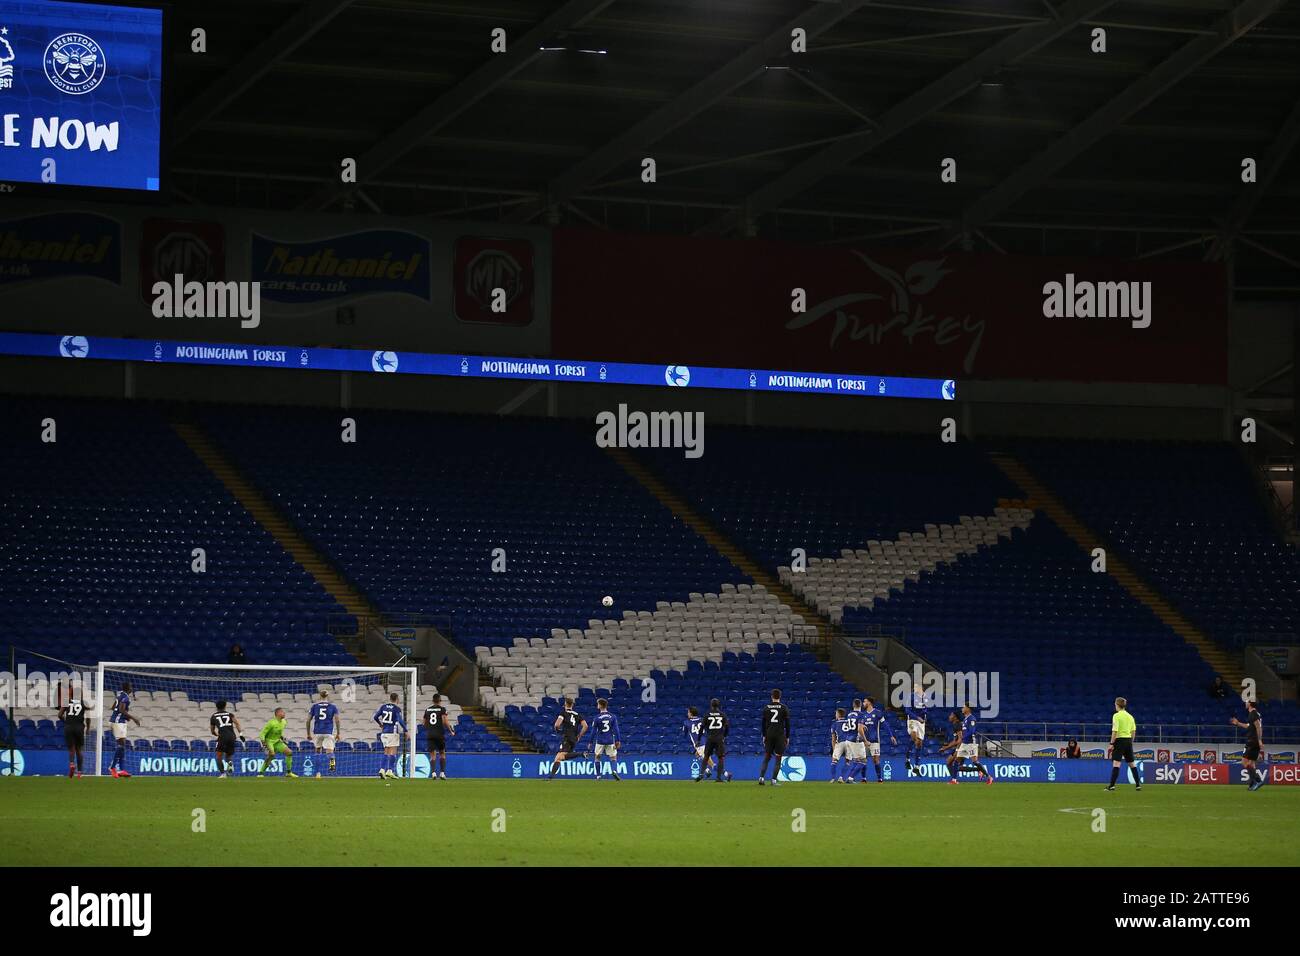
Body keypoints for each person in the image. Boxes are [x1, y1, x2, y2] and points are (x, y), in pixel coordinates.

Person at [940, 705, 992, 785]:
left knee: (975, 762)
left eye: (964, 707)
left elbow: (972, 731)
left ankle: (988, 777)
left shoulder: (972, 719)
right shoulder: (965, 719)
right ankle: (954, 780)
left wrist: (963, 738)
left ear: (968, 708)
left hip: (971, 743)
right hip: (964, 743)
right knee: (957, 761)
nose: (962, 709)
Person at [1105, 696, 1141, 791]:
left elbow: (1115, 731)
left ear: (1117, 705)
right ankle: (1138, 785)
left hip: (1119, 741)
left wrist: (1112, 743)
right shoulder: (1130, 716)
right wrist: (1130, 742)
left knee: (1116, 763)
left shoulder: (1116, 716)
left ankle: (1112, 785)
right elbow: (1133, 731)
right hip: (1128, 740)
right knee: (1132, 764)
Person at [107, 681, 142, 778]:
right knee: (121, 746)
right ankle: (113, 767)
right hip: (118, 723)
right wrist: (134, 718)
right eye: (131, 687)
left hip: (115, 721)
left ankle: (121, 770)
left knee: (122, 746)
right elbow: (121, 710)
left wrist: (125, 716)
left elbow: (113, 707)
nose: (132, 688)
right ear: (128, 688)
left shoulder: (119, 695)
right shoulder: (126, 697)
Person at [858, 697, 897, 783]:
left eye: (864, 701)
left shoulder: (878, 713)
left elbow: (885, 725)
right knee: (863, 759)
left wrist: (891, 735)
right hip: (864, 741)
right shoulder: (862, 714)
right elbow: (859, 728)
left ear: (869, 703)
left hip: (875, 740)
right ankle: (863, 779)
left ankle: (879, 779)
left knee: (875, 759)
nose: (863, 703)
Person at [1230, 700, 1266, 791]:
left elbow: (1258, 727)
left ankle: (1258, 780)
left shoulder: (1253, 714)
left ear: (1250, 704)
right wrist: (1238, 723)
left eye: (1247, 702)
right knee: (1251, 763)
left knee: (1244, 762)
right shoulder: (1255, 714)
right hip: (1254, 741)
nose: (1245, 703)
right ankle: (1252, 783)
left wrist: (1259, 740)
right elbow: (1249, 726)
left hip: (1252, 741)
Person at [548, 697, 588, 778]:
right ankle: (551, 777)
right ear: (572, 704)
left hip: (567, 737)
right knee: (559, 757)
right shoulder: (577, 715)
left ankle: (581, 754)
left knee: (560, 757)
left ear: (565, 704)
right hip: (574, 738)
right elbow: (585, 726)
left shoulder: (563, 713)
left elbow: (557, 724)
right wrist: (579, 735)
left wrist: (558, 730)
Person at [758, 688, 790, 786]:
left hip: (769, 734)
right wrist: (787, 737)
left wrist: (764, 735)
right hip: (779, 735)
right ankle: (773, 780)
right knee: (778, 758)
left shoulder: (766, 708)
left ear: (771, 696)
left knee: (767, 757)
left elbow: (763, 724)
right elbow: (787, 724)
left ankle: (761, 778)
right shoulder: (784, 708)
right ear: (779, 696)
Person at [373, 692, 408, 779]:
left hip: (384, 732)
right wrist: (406, 730)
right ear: (397, 699)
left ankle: (386, 770)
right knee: (393, 751)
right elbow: (400, 720)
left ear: (390, 698)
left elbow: (375, 717)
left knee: (386, 751)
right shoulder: (396, 708)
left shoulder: (383, 706)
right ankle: (388, 770)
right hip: (392, 732)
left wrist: (380, 724)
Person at [307, 690, 341, 777]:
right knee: (330, 752)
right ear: (328, 696)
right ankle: (332, 766)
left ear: (319, 696)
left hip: (318, 732)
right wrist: (338, 733)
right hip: (328, 731)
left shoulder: (314, 706)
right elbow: (337, 720)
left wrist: (308, 734)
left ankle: (318, 773)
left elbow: (308, 720)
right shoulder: (333, 706)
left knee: (318, 751)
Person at [696, 699, 731, 783]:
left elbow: (701, 728)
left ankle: (701, 775)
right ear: (718, 705)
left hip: (710, 738)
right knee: (721, 758)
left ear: (711, 705)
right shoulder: (722, 715)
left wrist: (698, 739)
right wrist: (724, 736)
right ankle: (718, 778)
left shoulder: (707, 714)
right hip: (719, 738)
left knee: (706, 757)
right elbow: (727, 726)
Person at [422, 693, 456, 780]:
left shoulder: (427, 710)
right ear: (440, 701)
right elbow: (445, 721)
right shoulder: (442, 709)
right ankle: (442, 773)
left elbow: (424, 723)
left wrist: (429, 728)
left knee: (432, 755)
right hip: (439, 733)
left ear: (433, 701)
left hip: (430, 734)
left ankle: (433, 773)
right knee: (442, 753)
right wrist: (451, 730)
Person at [257, 707, 296, 777]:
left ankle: (288, 772)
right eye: (282, 712)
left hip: (277, 741)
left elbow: (278, 732)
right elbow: (262, 734)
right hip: (269, 741)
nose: (284, 713)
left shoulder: (284, 722)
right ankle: (260, 773)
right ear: (277, 713)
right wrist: (263, 743)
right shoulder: (271, 723)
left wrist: (282, 737)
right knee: (272, 755)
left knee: (289, 752)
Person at [210, 699, 244, 777]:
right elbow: (237, 723)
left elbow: (212, 730)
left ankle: (222, 773)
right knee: (228, 756)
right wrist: (241, 734)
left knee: (219, 756)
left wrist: (216, 735)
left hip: (222, 736)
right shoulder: (230, 714)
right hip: (232, 736)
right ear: (225, 706)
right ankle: (230, 764)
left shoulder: (213, 716)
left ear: (216, 707)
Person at [590, 698, 621, 781]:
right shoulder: (612, 716)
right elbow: (616, 729)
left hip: (600, 740)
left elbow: (593, 731)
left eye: (598, 704)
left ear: (600, 705)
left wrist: (590, 742)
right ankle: (614, 771)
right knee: (613, 757)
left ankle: (598, 776)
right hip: (610, 740)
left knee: (597, 757)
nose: (597, 705)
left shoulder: (597, 718)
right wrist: (618, 740)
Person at [58, 693, 88, 778]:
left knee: (72, 749)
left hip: (69, 727)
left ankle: (71, 764)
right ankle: (79, 773)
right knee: (79, 750)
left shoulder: (67, 701)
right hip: (79, 727)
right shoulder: (83, 703)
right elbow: (88, 717)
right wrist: (88, 727)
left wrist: (66, 721)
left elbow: (59, 715)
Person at [684, 706, 715, 779]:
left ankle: (725, 773)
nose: (687, 713)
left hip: (700, 745)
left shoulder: (686, 722)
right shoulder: (702, 720)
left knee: (709, 762)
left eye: (688, 712)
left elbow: (685, 734)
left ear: (691, 714)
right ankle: (707, 771)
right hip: (706, 742)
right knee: (697, 755)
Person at [905, 685, 928, 776]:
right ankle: (907, 759)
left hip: (921, 722)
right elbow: (907, 710)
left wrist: (925, 715)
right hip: (912, 720)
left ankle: (916, 767)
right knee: (914, 738)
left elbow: (926, 709)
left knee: (919, 743)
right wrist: (917, 717)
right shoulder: (910, 697)